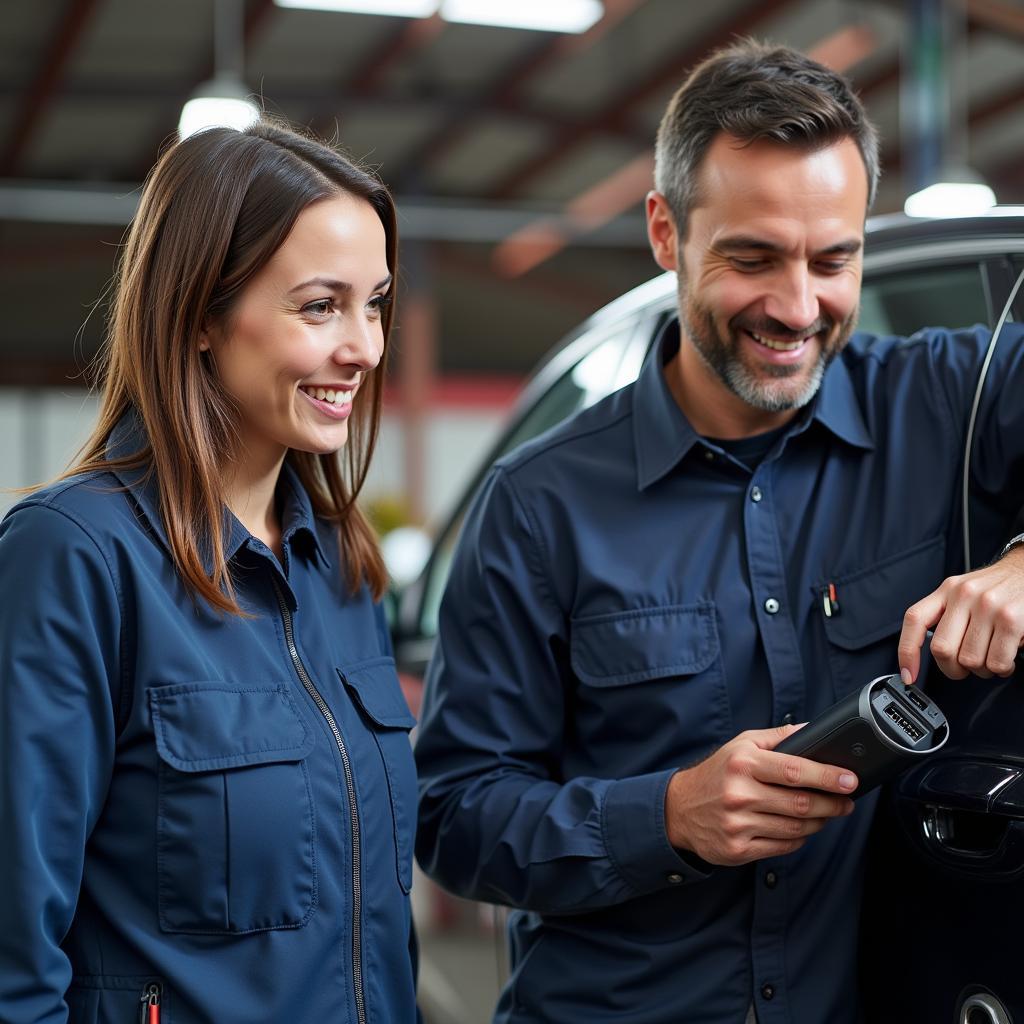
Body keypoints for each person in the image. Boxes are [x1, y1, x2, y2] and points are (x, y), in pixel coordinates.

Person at [413, 41, 1024, 1023]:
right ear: (666, 232)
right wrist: (666, 817)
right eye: (751, 258)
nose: (795, 307)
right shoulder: (539, 504)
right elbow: (451, 815)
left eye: (834, 260)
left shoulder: (950, 406)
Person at [0, 121, 420, 1023]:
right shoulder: (74, 556)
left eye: (375, 302)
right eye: (320, 307)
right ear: (198, 316)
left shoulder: (340, 566)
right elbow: (11, 956)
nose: (366, 348)